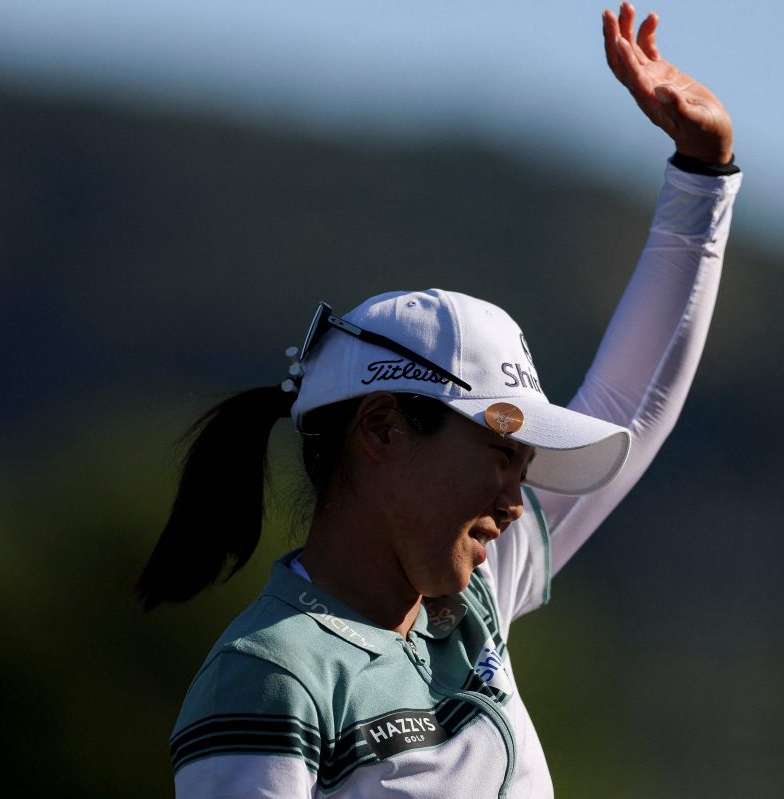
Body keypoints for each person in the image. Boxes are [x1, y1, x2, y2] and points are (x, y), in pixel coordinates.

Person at [136, 4, 741, 797]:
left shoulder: (473, 588)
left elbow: (628, 407)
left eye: (524, 465)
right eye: (499, 454)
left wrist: (703, 173)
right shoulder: (268, 677)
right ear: (382, 427)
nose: (516, 502)